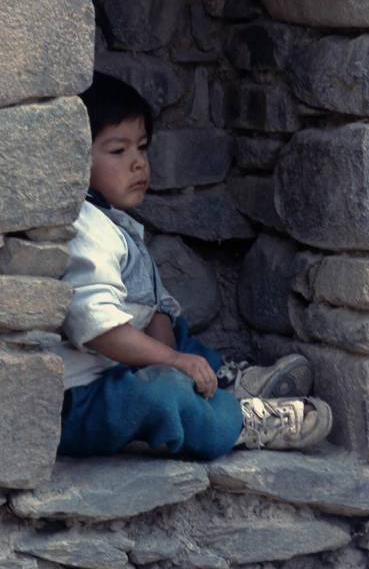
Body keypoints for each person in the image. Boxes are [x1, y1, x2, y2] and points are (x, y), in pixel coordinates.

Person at [53, 71, 333, 460]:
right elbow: (96, 327)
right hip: (82, 401)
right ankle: (237, 421)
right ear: (73, 158)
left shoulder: (118, 225)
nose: (138, 164)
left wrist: (173, 353)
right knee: (160, 395)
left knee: (176, 333)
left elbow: (152, 306)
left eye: (143, 148)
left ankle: (226, 383)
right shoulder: (85, 228)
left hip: (118, 370)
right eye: (118, 151)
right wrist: (169, 363)